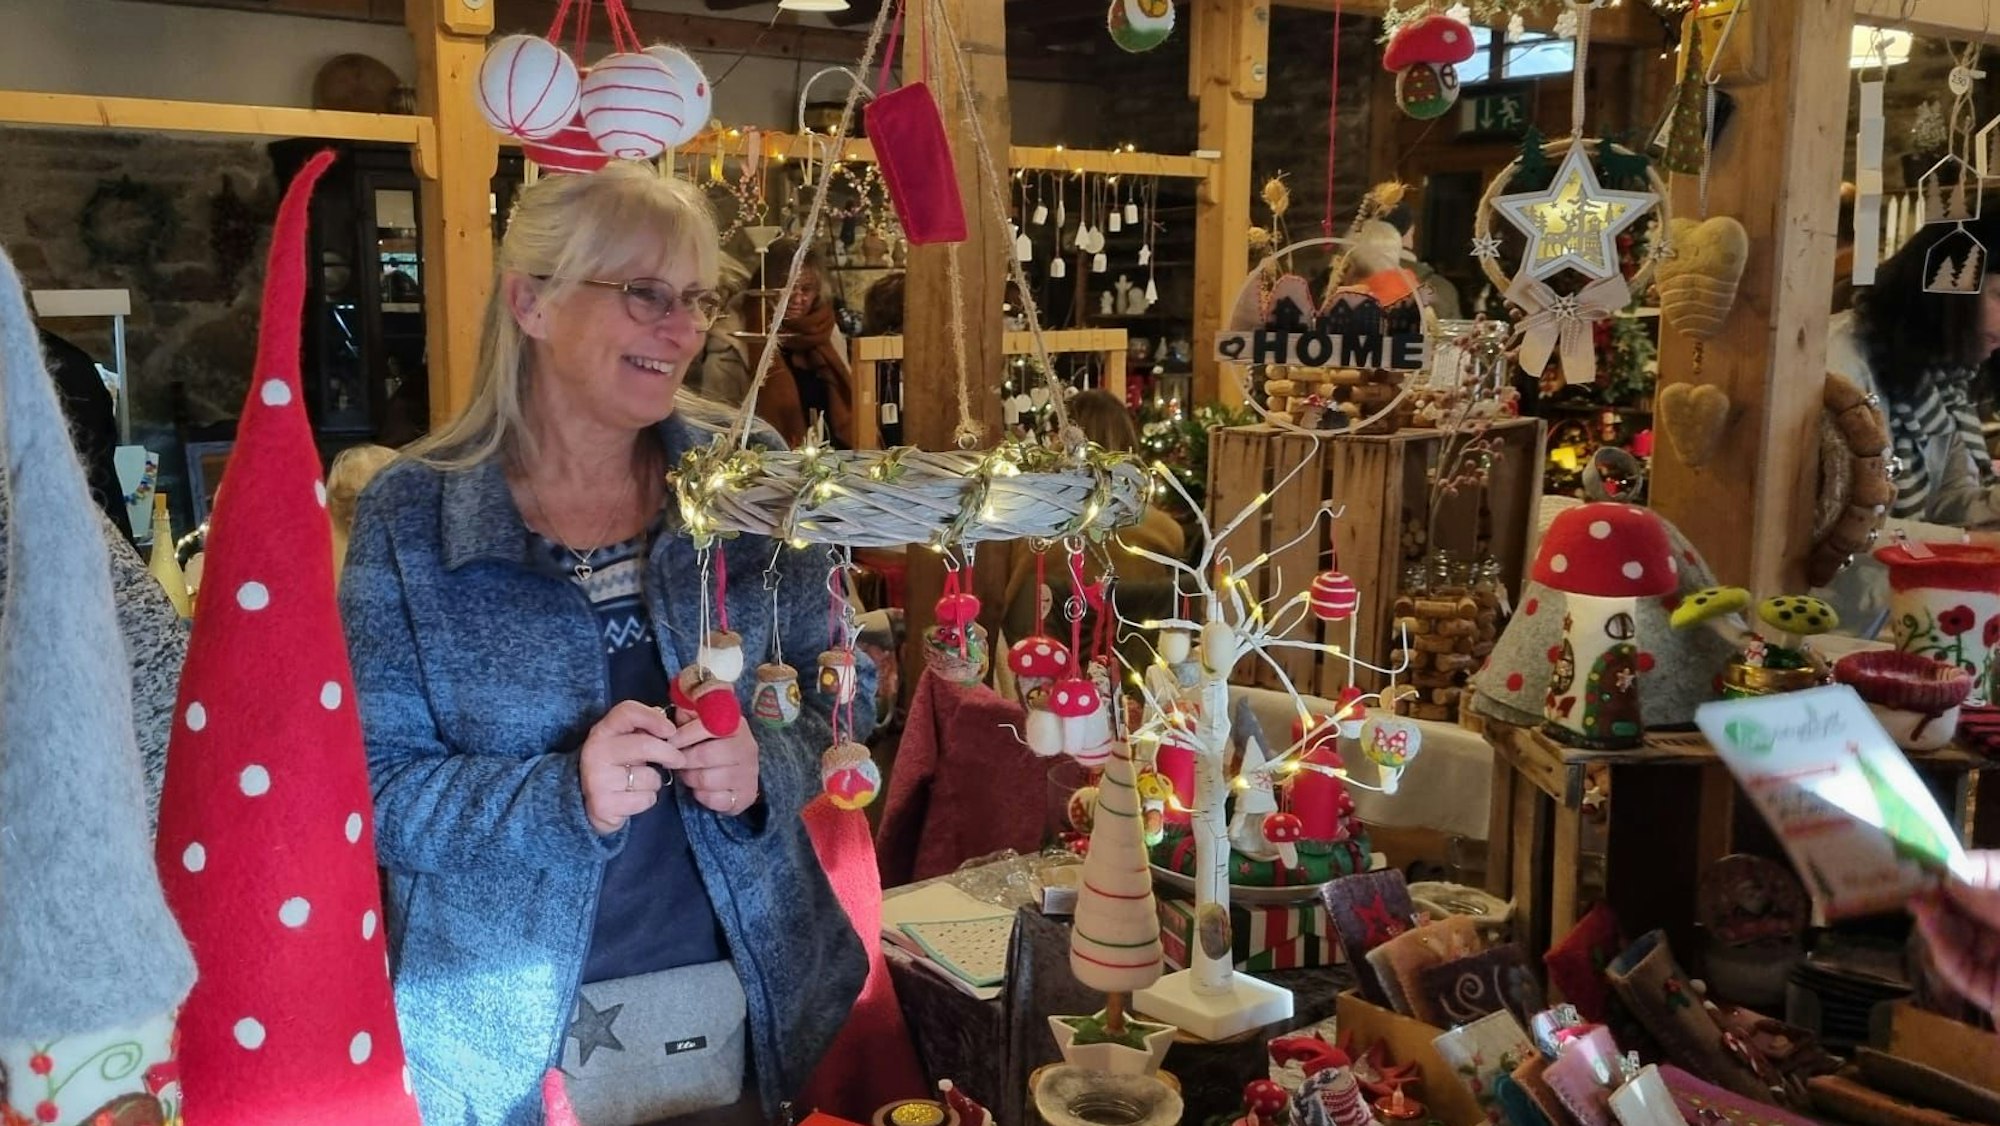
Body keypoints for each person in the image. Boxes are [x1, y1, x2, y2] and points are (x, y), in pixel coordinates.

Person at [338, 163, 870, 1126]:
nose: (684, 329)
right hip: (500, 1047)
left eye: (697, 300)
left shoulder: (750, 479)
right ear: (530, 302)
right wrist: (563, 796)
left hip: (754, 1015)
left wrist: (766, 768)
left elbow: (846, 687)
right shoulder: (411, 517)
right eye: (645, 293)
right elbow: (368, 792)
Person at [1820, 207, 2000, 632]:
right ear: (1948, 287)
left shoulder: (1940, 380)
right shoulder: (1841, 366)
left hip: (1876, 620)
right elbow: (1837, 520)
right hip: (1813, 616)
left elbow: (1949, 504)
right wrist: (1970, 543)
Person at [1002, 390, 1186, 684]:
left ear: (1061, 444)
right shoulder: (1167, 532)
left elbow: (1010, 616)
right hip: (1144, 686)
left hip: (1050, 690)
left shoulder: (1033, 531)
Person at [754, 239, 856, 449]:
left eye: (806, 289)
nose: (797, 298)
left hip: (832, 454)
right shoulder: (745, 332)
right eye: (787, 288)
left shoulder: (827, 330)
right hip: (765, 456)